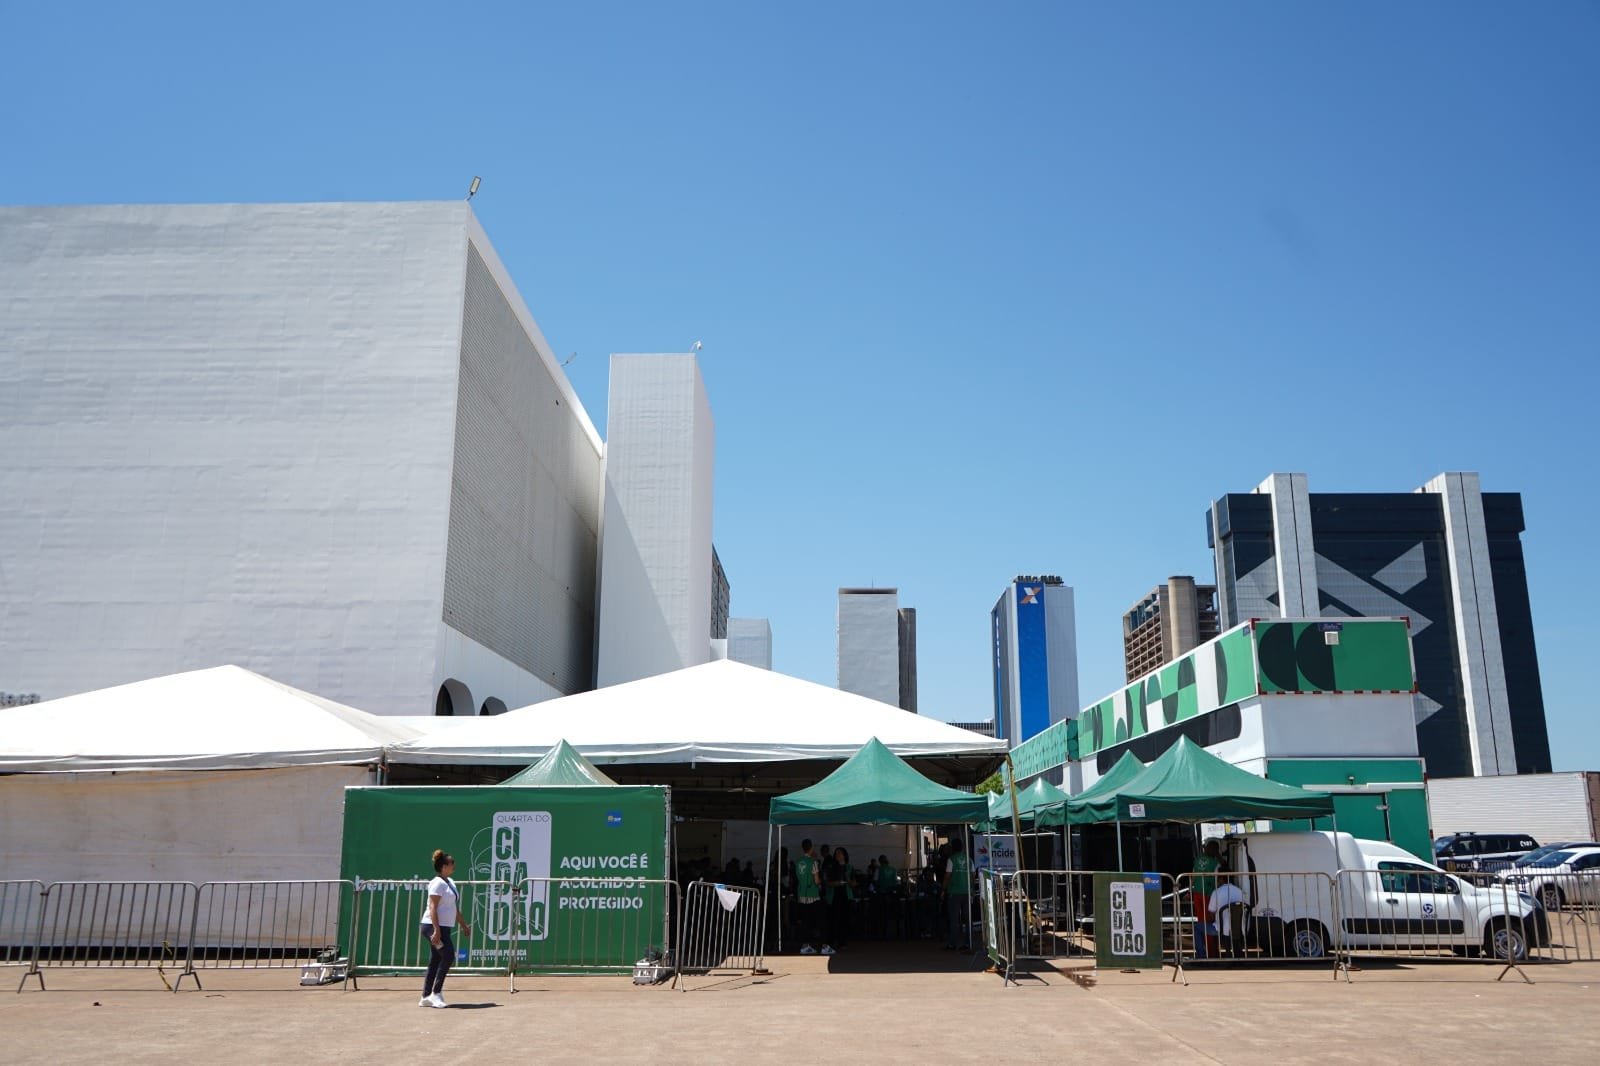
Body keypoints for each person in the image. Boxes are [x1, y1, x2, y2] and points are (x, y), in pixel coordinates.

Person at [420, 848, 471, 1008]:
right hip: (431, 926)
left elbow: (453, 908)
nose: (454, 865)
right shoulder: (436, 883)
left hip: (444, 927)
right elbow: (433, 907)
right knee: (448, 955)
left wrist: (463, 925)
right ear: (443, 867)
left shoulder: (450, 882)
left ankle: (425, 997)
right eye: (451, 863)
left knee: (436, 959)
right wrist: (436, 930)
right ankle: (436, 993)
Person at [794, 838, 830, 956]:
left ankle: (805, 946)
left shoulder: (798, 862)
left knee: (806, 921)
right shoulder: (813, 862)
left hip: (801, 895)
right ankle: (824, 946)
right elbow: (817, 880)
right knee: (821, 921)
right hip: (813, 895)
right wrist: (822, 882)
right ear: (811, 848)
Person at [1192, 839, 1222, 959]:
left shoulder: (1198, 859)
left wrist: (1190, 890)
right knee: (1207, 923)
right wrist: (1218, 856)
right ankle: (1211, 953)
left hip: (1198, 893)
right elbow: (1224, 870)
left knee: (1202, 923)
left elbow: (1193, 875)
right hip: (1208, 894)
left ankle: (1205, 953)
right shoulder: (1215, 862)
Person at [944, 840, 971, 950]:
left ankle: (953, 943)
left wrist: (943, 889)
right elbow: (973, 874)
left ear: (953, 848)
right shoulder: (969, 859)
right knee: (968, 919)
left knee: (954, 919)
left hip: (954, 892)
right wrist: (971, 888)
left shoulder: (951, 859)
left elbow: (947, 876)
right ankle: (968, 943)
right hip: (967, 891)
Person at [826, 847, 854, 950]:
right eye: (836, 853)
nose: (838, 855)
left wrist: (850, 882)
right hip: (834, 895)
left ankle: (842, 942)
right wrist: (835, 883)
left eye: (840, 853)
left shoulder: (849, 867)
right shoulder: (831, 867)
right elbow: (827, 882)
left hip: (846, 895)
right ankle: (831, 941)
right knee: (833, 919)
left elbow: (854, 883)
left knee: (845, 919)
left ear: (844, 855)